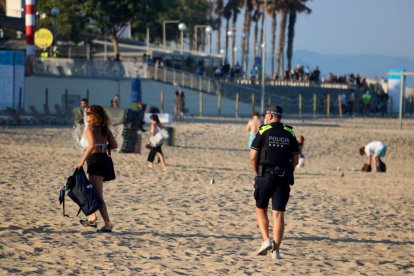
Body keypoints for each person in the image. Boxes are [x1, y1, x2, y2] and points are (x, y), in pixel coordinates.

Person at [250, 105, 299, 260]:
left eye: (266, 115)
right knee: (278, 214)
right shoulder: (290, 132)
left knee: (261, 209)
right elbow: (296, 159)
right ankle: (276, 252)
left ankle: (266, 240)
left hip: (264, 175)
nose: (265, 118)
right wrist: (289, 171)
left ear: (270, 116)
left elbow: (253, 156)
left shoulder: (264, 130)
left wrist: (257, 173)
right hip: (283, 177)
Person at [76, 105, 118, 232]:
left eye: (88, 113)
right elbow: (115, 145)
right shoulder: (105, 129)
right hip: (104, 159)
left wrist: (81, 161)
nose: (86, 114)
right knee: (93, 192)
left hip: (94, 160)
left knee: (97, 195)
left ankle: (106, 223)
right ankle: (91, 218)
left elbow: (91, 145)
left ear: (94, 115)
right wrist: (103, 145)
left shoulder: (89, 129)